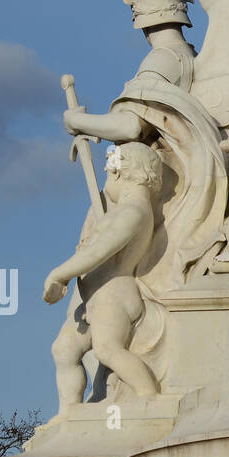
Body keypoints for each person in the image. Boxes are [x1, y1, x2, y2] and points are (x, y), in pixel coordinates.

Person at [62, 0, 229, 290]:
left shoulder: (162, 59)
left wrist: (77, 122)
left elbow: (131, 126)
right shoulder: (189, 54)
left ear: (140, 18)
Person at [44, 143, 163, 407]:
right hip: (95, 300)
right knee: (64, 350)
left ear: (121, 174)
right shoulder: (121, 211)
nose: (107, 182)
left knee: (107, 349)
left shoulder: (133, 213)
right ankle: (69, 413)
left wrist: (58, 274)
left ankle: (150, 397)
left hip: (114, 295)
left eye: (109, 174)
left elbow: (99, 252)